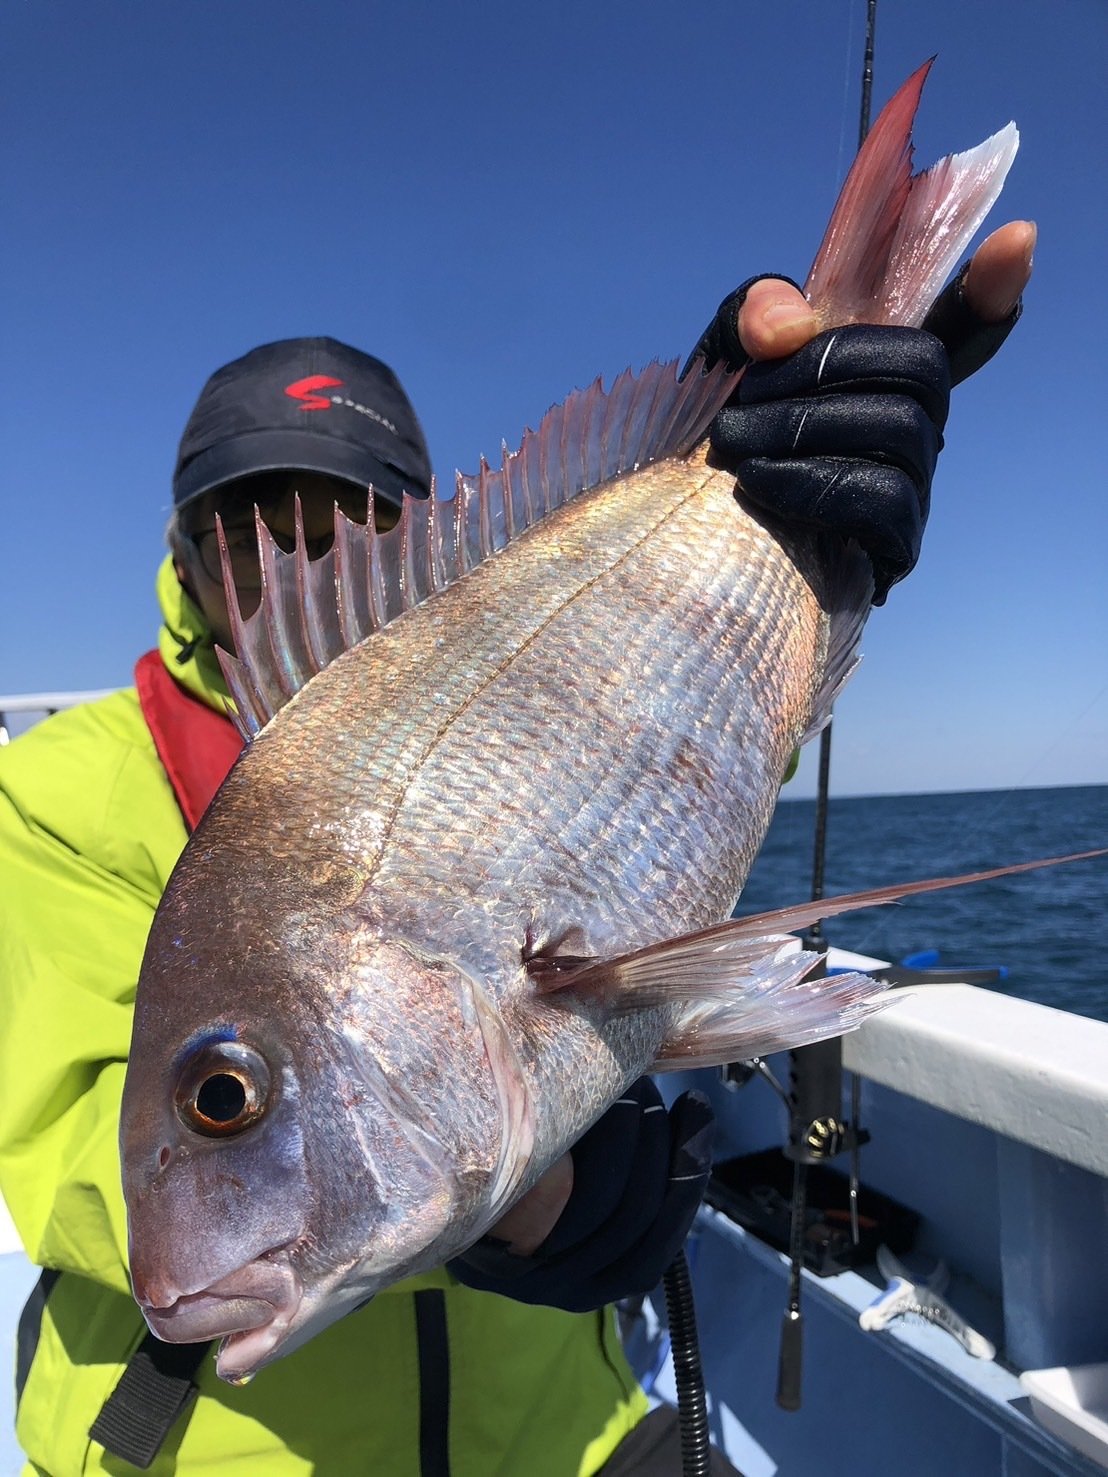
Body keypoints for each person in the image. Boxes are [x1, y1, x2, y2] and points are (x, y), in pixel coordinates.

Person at [0, 223, 1032, 1477]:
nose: (293, 563)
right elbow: (59, 1128)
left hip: (561, 1431)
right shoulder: (48, 786)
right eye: (247, 522)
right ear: (182, 547)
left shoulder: (503, 658)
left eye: (344, 524)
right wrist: (537, 1205)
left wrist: (773, 489)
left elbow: (667, 773)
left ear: (421, 537)